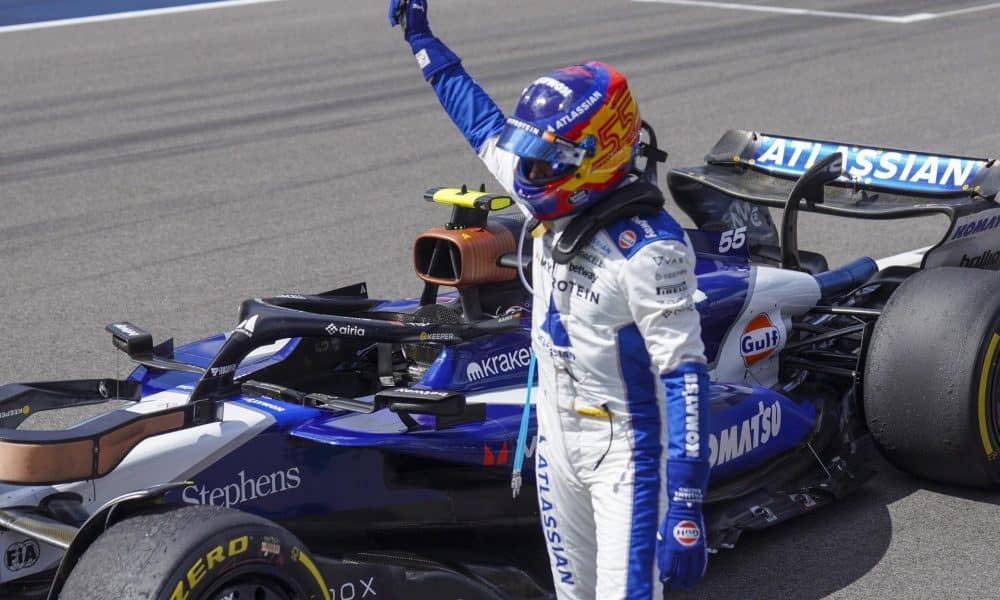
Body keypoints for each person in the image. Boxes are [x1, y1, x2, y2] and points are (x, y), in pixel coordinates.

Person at [388, 2, 711, 598]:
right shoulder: (549, 190)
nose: (529, 171)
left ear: (599, 153)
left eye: (545, 158)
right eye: (530, 154)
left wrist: (687, 502)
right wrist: (423, 41)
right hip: (553, 443)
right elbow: (480, 121)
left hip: (625, 456)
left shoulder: (652, 253)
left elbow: (685, 378)